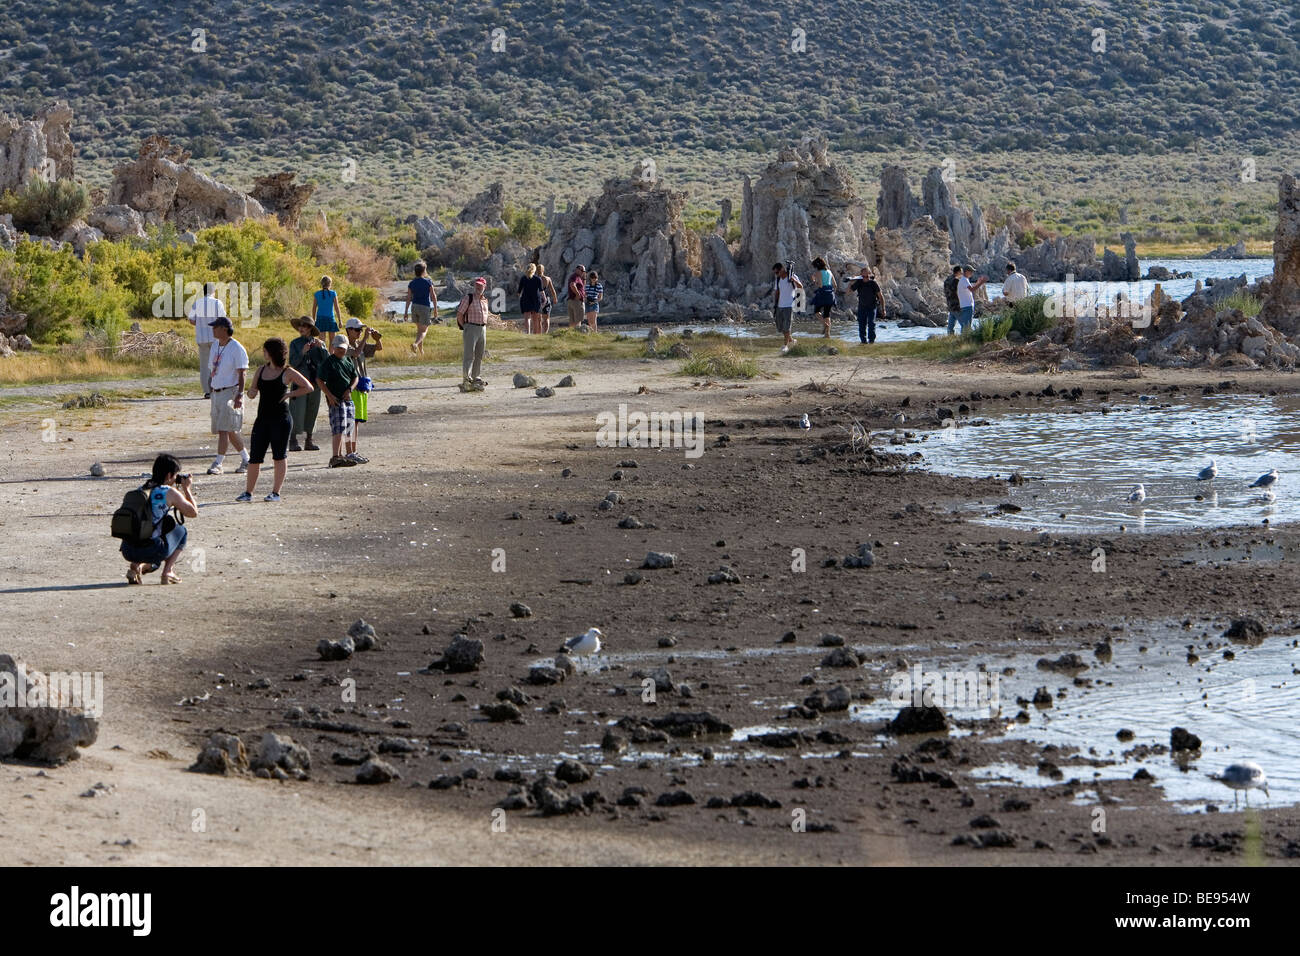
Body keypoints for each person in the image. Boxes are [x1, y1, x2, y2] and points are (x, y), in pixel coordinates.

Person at [237, 338, 314, 502]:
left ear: (271, 353)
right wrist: (249, 392)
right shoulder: (261, 370)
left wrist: (289, 394)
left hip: (281, 419)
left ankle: (275, 493)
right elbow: (252, 392)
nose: (263, 353)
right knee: (255, 457)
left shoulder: (287, 372)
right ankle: (248, 493)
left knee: (279, 456)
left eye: (265, 351)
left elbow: (308, 387)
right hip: (262, 419)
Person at [122, 454, 198, 586]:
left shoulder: (141, 490)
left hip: (127, 549)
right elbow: (192, 513)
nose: (175, 479)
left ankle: (136, 565)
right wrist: (186, 489)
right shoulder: (168, 492)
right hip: (151, 549)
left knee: (166, 522)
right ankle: (168, 572)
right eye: (175, 476)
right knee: (182, 531)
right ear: (169, 475)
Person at [205, 316, 250, 475]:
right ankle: (247, 459)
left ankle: (218, 463)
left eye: (215, 327)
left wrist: (239, 395)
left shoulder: (236, 348)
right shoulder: (215, 346)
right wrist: (211, 386)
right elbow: (212, 368)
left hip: (230, 392)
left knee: (225, 429)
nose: (213, 329)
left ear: (224, 329)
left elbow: (242, 373)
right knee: (228, 429)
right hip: (217, 392)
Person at [317, 333, 358, 468]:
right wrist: (329, 396)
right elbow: (319, 380)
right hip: (335, 399)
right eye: (338, 348)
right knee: (338, 428)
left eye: (343, 348)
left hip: (347, 398)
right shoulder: (329, 362)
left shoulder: (348, 361)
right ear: (333, 347)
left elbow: (355, 377)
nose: (341, 350)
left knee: (349, 426)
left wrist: (350, 389)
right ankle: (336, 456)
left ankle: (349, 453)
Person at [344, 317, 381, 463]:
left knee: (357, 421)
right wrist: (366, 337)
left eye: (361, 330)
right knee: (351, 420)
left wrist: (377, 339)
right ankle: (349, 451)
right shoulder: (344, 345)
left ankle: (354, 450)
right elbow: (355, 354)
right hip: (351, 386)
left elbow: (378, 348)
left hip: (362, 386)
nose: (360, 332)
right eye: (357, 330)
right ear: (349, 330)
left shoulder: (360, 343)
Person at [288, 318, 324, 452]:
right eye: (300, 326)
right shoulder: (295, 344)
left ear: (310, 328)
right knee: (296, 409)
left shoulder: (318, 343)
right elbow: (293, 363)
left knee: (312, 410)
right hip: (300, 381)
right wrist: (302, 352)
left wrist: (322, 349)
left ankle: (309, 440)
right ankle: (293, 440)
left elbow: (325, 361)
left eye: (305, 326)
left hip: (315, 381)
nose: (301, 328)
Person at [187, 282, 226, 399]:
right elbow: (223, 319)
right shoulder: (217, 303)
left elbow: (191, 320)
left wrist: (200, 324)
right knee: (217, 364)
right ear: (213, 291)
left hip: (202, 338)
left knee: (204, 365)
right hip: (216, 338)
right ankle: (217, 388)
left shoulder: (197, 303)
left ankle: (207, 391)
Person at [456, 277, 493, 390]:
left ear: (484, 287)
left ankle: (476, 376)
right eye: (477, 285)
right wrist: (465, 327)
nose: (478, 287)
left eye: (481, 286)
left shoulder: (485, 300)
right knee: (469, 354)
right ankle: (466, 378)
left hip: (482, 329)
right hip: (471, 327)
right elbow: (459, 314)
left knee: (479, 355)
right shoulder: (468, 298)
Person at [846, 266, 885, 344]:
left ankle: (871, 342)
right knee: (861, 325)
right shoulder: (859, 283)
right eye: (863, 276)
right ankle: (863, 342)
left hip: (872, 307)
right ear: (861, 276)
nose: (865, 278)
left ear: (869, 275)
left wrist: (883, 309)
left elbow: (881, 296)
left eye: (867, 276)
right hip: (862, 307)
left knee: (871, 324)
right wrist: (851, 282)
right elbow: (848, 292)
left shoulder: (873, 283)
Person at [405, 262, 437, 354]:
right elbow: (433, 296)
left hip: (414, 307)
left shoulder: (411, 283)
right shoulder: (428, 282)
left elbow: (408, 298)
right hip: (424, 307)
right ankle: (415, 344)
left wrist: (406, 311)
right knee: (424, 330)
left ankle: (421, 351)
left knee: (419, 330)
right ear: (424, 271)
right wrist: (435, 309)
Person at [771, 262, 802, 353]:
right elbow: (777, 292)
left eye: (777, 272)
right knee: (780, 327)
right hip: (780, 306)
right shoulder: (778, 280)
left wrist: (794, 280)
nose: (776, 274)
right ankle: (792, 340)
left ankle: (785, 346)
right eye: (775, 273)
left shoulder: (792, 277)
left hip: (789, 306)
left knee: (787, 327)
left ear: (782, 269)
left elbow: (800, 287)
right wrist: (775, 304)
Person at [810, 257, 836, 338]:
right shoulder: (829, 271)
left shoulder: (818, 272)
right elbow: (835, 285)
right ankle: (827, 334)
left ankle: (825, 324)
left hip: (822, 293)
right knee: (827, 313)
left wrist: (814, 281)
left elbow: (820, 285)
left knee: (817, 311)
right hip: (830, 294)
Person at [956, 265, 987, 332]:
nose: (972, 273)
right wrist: (981, 282)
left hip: (964, 305)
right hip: (967, 306)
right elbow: (972, 289)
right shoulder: (964, 279)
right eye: (971, 271)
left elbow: (970, 288)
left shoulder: (964, 280)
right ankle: (965, 340)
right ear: (966, 271)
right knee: (967, 327)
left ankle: (963, 340)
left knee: (965, 326)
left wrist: (978, 282)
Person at [518, 263, 544, 335]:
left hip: (525, 299)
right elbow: (541, 291)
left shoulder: (523, 278)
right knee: (535, 319)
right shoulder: (538, 279)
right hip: (536, 299)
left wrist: (520, 298)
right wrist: (544, 299)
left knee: (527, 318)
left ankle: (528, 333)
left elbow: (519, 291)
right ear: (534, 270)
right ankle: (535, 334)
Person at [537, 264, 557, 334]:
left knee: (538, 319)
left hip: (537, 299)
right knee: (546, 318)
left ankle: (538, 333)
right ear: (543, 270)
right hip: (546, 299)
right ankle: (545, 333)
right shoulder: (547, 279)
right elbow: (552, 290)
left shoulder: (535, 279)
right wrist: (555, 298)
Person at [566, 265, 587, 329]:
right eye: (582, 271)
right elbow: (572, 285)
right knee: (578, 320)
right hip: (576, 301)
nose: (583, 272)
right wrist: (578, 294)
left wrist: (584, 277)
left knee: (572, 321)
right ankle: (577, 335)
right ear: (577, 269)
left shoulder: (577, 277)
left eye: (584, 271)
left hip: (571, 300)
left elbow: (583, 286)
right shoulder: (576, 276)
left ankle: (571, 335)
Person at [944, 266, 962, 335]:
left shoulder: (947, 280)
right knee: (964, 324)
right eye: (961, 272)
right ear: (958, 272)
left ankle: (950, 337)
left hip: (949, 304)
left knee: (950, 325)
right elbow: (958, 292)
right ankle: (966, 338)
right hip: (956, 304)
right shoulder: (956, 280)